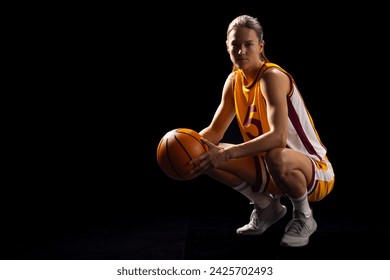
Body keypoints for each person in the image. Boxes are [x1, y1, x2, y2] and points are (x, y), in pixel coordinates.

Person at [189, 14, 335, 247]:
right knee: (206, 153)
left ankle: (304, 217)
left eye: (248, 45)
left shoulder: (272, 77)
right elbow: (214, 131)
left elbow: (278, 137)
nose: (241, 51)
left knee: (274, 154)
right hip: (272, 168)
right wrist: (186, 148)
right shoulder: (234, 81)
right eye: (235, 45)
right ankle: (267, 207)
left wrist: (227, 154)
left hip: (313, 171)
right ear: (227, 46)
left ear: (261, 46)